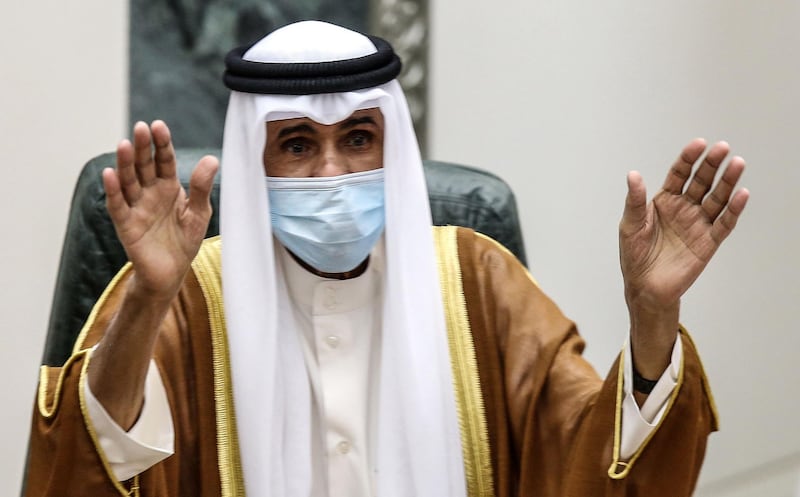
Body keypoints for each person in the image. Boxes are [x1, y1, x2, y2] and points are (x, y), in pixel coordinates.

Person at [25, 20, 749, 497]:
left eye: (359, 139)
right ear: (256, 157)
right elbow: (85, 471)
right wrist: (148, 299)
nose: (333, 171)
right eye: (299, 145)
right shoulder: (182, 296)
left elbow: (587, 458)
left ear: (391, 145)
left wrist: (652, 314)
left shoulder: (475, 278)